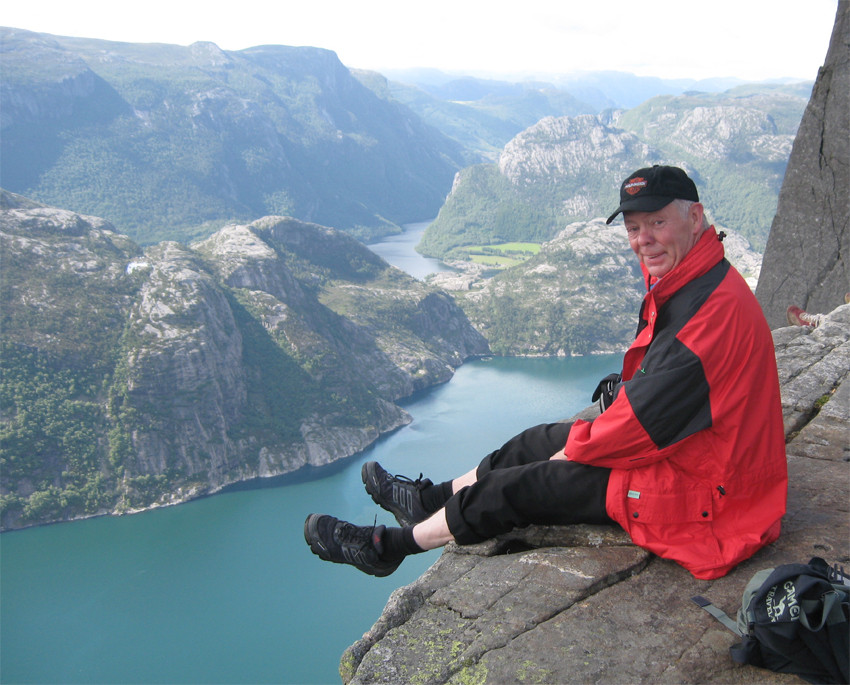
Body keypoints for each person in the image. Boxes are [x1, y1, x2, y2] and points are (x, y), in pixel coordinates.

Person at [304, 165, 788, 581]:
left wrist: (570, 453)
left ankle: (388, 547)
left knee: (523, 485)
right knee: (530, 443)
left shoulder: (709, 315)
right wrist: (568, 441)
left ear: (695, 217)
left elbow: (640, 424)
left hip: (711, 494)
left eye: (657, 222)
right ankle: (427, 499)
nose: (643, 240)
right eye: (634, 228)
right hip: (695, 453)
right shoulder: (693, 276)